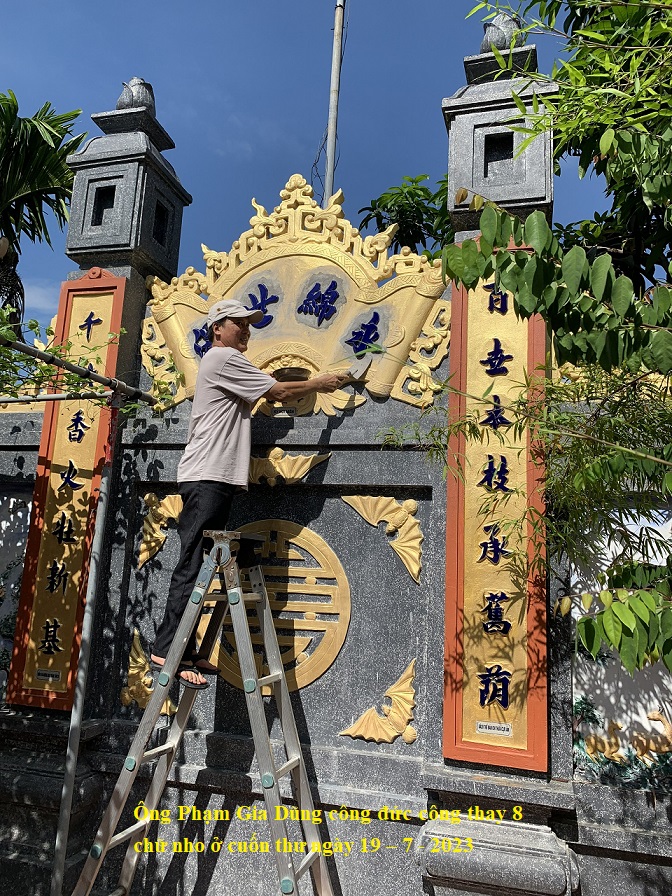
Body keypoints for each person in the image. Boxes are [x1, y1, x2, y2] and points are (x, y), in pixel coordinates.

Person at [151, 298, 347, 687]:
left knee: (202, 565)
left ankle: (186, 650)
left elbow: (264, 392)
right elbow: (278, 393)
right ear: (217, 329)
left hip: (214, 477)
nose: (246, 330)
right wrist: (319, 383)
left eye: (248, 324)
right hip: (206, 476)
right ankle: (166, 649)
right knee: (191, 563)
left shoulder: (225, 364)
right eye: (238, 323)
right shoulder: (223, 358)